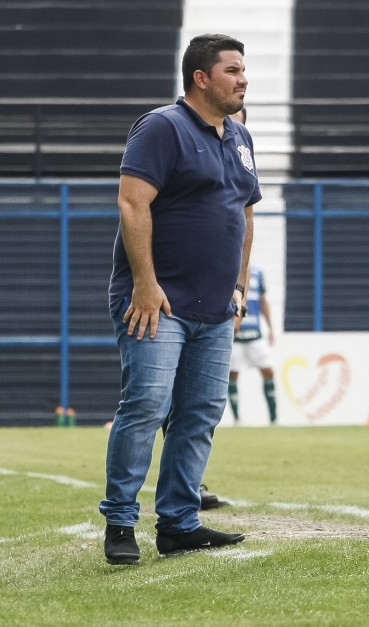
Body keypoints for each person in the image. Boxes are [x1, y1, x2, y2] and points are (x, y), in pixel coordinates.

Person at [99, 33, 259, 565]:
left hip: (216, 307)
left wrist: (239, 286)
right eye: (232, 70)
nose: (243, 78)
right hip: (158, 303)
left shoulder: (239, 136)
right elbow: (132, 202)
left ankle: (179, 524)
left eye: (243, 69)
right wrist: (146, 283)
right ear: (201, 78)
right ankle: (121, 523)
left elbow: (244, 215)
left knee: (199, 415)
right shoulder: (161, 127)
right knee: (146, 406)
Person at [229, 265, 278, 424]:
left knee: (268, 371)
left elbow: (263, 301)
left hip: (255, 333)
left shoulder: (257, 273)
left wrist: (270, 327)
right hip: (236, 334)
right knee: (232, 375)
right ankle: (237, 419)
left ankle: (274, 418)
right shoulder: (230, 268)